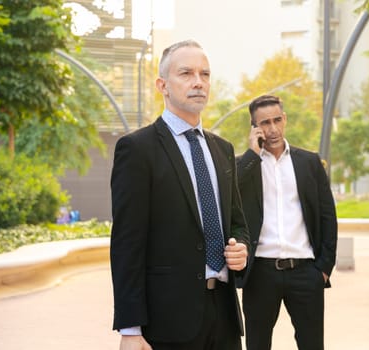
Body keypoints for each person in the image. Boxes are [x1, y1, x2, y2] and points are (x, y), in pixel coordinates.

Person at [110, 39, 250, 350]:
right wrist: (130, 329)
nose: (198, 82)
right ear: (163, 85)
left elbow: (237, 222)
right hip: (167, 321)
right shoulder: (137, 149)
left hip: (224, 316)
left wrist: (241, 247)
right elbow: (126, 243)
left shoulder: (223, 149)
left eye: (205, 74)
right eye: (186, 73)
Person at [236, 95, 338, 350]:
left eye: (277, 120)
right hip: (260, 273)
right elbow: (229, 196)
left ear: (285, 119)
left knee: (312, 344)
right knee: (257, 345)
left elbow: (328, 216)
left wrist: (323, 268)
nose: (272, 129)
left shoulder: (310, 162)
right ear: (254, 127)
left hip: (306, 272)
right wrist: (252, 153)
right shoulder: (245, 165)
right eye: (265, 123)